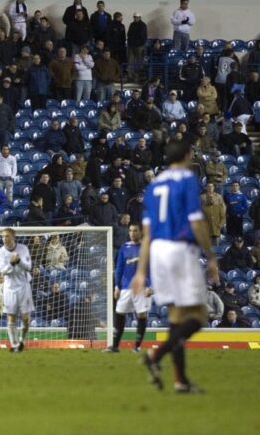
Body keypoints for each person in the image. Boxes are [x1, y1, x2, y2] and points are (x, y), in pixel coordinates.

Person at [131, 140, 219, 393]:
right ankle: (154, 355)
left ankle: (180, 381)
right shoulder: (187, 180)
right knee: (199, 317)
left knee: (176, 319)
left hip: (158, 252)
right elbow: (195, 221)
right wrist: (211, 256)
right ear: (188, 155)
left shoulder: (153, 186)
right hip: (180, 249)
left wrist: (140, 272)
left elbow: (146, 234)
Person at [104, 223, 152, 353]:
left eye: (135, 231)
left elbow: (151, 268)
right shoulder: (124, 248)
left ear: (140, 232)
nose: (132, 233)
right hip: (125, 287)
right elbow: (119, 268)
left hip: (142, 287)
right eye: (130, 230)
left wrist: (150, 285)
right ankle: (115, 346)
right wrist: (117, 286)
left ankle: (136, 346)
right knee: (120, 313)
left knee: (141, 314)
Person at [0, 228, 33, 352]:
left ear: (13, 237)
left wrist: (19, 261)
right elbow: (3, 271)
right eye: (2, 236)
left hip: (24, 286)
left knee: (26, 319)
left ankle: (22, 340)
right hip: (9, 288)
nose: (4, 239)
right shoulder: (0, 252)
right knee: (11, 317)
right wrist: (12, 264)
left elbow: (29, 267)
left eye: (6, 236)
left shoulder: (23, 249)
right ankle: (14, 345)